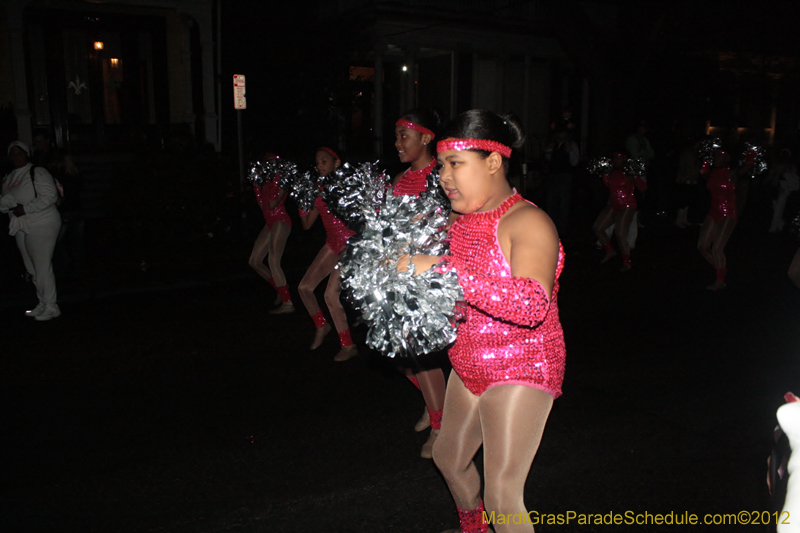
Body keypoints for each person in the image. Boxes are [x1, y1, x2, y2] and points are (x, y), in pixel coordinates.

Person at [400, 110, 566, 533]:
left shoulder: (528, 221)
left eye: (456, 164)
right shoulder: (459, 222)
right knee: (449, 459)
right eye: (440, 166)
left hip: (521, 365)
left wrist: (440, 271)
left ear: (493, 162)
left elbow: (532, 305)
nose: (444, 177)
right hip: (469, 361)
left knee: (502, 494)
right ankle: (473, 528)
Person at [392, 108, 448, 458]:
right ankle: (434, 406)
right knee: (398, 355)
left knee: (422, 355)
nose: (397, 143)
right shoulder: (399, 180)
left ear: (426, 137)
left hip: (430, 278)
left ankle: (442, 425)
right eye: (396, 136)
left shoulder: (441, 177)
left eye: (404, 135)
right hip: (401, 277)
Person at [297, 147, 357, 362]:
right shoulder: (318, 188)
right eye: (317, 162)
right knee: (304, 288)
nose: (320, 165)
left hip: (350, 245)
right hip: (332, 244)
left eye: (324, 161)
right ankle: (322, 325)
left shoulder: (347, 185)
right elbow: (306, 224)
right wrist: (304, 201)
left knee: (330, 295)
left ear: (336, 163)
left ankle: (348, 345)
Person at [1, 141, 63, 320]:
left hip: (42, 222)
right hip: (21, 224)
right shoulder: (9, 176)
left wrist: (26, 208)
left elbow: (50, 195)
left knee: (41, 265)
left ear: (27, 154)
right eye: (11, 153)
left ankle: (52, 305)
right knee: (31, 267)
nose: (15, 156)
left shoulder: (37, 171)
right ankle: (42, 302)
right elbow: (7, 200)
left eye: (18, 152)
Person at [31, 129, 85, 278]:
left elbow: (60, 191)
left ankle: (66, 270)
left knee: (57, 241)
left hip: (65, 210)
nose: (37, 145)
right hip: (73, 209)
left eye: (40, 142)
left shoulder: (57, 170)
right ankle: (76, 271)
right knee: (74, 243)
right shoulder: (71, 171)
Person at [249, 151, 295, 314]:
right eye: (265, 163)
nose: (268, 166)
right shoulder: (265, 181)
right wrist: (257, 184)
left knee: (273, 260)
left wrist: (276, 180)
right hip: (270, 223)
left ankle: (287, 302)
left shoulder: (281, 179)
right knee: (254, 261)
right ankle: (280, 288)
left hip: (281, 220)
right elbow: (263, 207)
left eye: (271, 163)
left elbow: (272, 204)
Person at [697, 148, 749, 291]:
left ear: (727, 158)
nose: (716, 157)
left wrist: (751, 155)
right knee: (702, 247)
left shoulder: (732, 173)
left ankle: (720, 281)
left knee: (717, 248)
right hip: (713, 211)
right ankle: (721, 269)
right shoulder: (712, 173)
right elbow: (702, 175)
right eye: (715, 155)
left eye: (720, 155)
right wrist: (705, 160)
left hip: (729, 212)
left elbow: (747, 168)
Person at [592, 152, 646, 271]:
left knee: (620, 234)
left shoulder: (629, 171)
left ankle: (627, 262)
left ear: (624, 158)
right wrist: (603, 174)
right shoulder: (612, 171)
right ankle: (610, 251)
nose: (615, 159)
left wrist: (636, 176)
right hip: (613, 204)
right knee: (598, 227)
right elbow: (609, 185)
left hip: (627, 205)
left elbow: (642, 187)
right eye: (614, 157)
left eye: (618, 157)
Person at [543, 125, 579, 235]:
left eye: (563, 133)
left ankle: (562, 230)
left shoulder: (571, 145)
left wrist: (570, 151)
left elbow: (575, 162)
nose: (561, 136)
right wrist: (547, 152)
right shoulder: (553, 144)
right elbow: (549, 159)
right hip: (553, 176)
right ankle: (551, 228)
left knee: (563, 203)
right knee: (551, 202)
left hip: (565, 176)